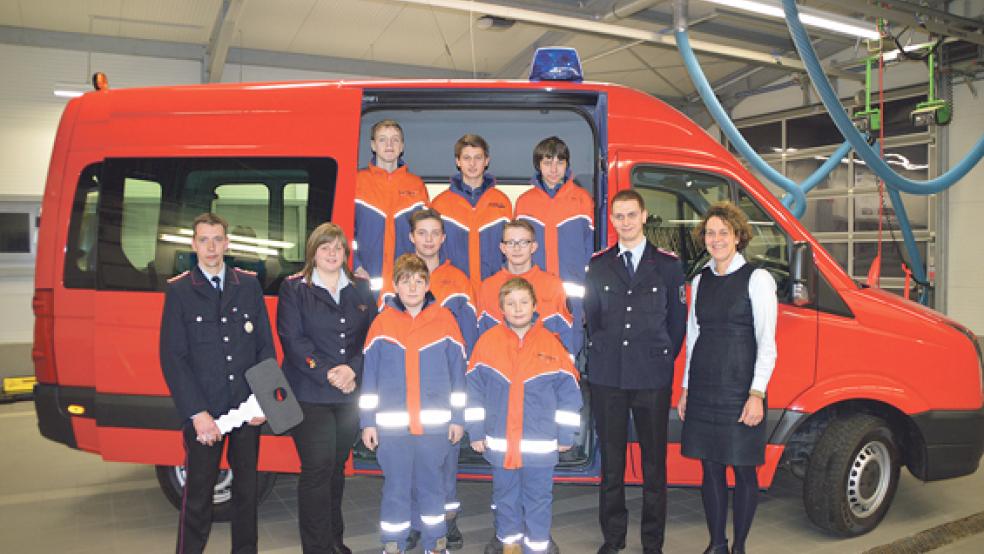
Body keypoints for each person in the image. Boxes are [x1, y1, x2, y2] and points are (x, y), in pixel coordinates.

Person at [160, 212, 275, 554]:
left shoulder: (249, 285)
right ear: (194, 245)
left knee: (246, 492)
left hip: (245, 409)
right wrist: (197, 414)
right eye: (204, 240)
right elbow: (173, 357)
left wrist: (263, 401)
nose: (211, 247)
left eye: (217, 239)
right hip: (205, 413)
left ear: (227, 243)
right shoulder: (180, 290)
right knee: (198, 494)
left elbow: (264, 346)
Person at [583, 190, 687, 554]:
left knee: (654, 467)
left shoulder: (669, 266)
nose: (624, 222)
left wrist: (658, 358)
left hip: (651, 377)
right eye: (618, 216)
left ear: (644, 216)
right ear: (611, 220)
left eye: (631, 215)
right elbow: (592, 319)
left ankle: (652, 543)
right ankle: (613, 539)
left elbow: (677, 325)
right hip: (608, 377)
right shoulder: (598, 264)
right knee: (611, 465)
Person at [677, 202, 777, 554]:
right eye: (710, 233)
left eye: (723, 233)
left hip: (740, 387)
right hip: (704, 386)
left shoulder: (758, 279)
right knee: (711, 468)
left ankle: (739, 546)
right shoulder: (701, 280)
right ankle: (717, 543)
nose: (716, 239)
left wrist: (757, 394)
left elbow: (768, 343)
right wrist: (686, 388)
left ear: (738, 237)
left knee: (744, 470)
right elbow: (693, 338)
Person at [379, 208, 478, 551]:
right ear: (412, 236)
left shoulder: (458, 279)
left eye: (435, 233)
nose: (429, 239)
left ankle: (443, 528)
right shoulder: (394, 280)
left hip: (439, 393)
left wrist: (458, 393)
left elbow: (462, 337)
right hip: (403, 404)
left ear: (444, 238)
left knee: (441, 470)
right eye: (422, 232)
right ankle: (408, 528)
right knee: (404, 473)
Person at [278, 223, 377, 554]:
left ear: (346, 253)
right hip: (310, 394)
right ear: (313, 252)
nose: (332, 253)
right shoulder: (294, 288)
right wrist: (327, 373)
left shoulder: (361, 289)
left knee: (335, 469)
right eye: (325, 247)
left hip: (348, 395)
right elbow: (293, 340)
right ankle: (317, 547)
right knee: (317, 468)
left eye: (338, 248)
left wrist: (353, 369)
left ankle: (335, 541)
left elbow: (373, 339)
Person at [360, 253, 468, 554]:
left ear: (427, 285)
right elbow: (369, 380)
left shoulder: (446, 321)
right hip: (393, 430)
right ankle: (393, 543)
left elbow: (458, 377)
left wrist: (458, 418)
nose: (412, 288)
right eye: (405, 281)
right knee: (396, 488)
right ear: (395, 285)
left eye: (419, 281)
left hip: (435, 429)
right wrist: (367, 421)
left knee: (433, 489)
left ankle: (436, 544)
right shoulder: (381, 324)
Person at [466, 277, 582, 554]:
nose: (518, 309)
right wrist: (476, 431)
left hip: (540, 446)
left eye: (523, 302)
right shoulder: (487, 343)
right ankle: (510, 546)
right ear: (501, 308)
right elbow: (473, 392)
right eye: (511, 303)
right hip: (501, 442)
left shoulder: (551, 344)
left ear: (534, 305)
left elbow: (569, 392)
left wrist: (566, 434)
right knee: (505, 498)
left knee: (538, 499)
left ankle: (538, 548)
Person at [514, 136, 594, 354]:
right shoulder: (524, 202)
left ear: (567, 164)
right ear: (538, 165)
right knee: (532, 358)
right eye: (547, 162)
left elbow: (592, 255)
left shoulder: (583, 200)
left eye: (560, 162)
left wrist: (590, 302)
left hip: (572, 300)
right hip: (533, 297)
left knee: (568, 360)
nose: (553, 169)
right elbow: (515, 254)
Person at [353, 119, 429, 293]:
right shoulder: (358, 182)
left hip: (405, 284)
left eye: (395, 140)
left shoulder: (416, 185)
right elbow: (345, 232)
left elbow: (425, 235)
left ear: (402, 146)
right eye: (382, 139)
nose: (389, 145)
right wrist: (356, 266)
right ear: (373, 145)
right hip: (363, 282)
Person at [477, 219, 574, 354]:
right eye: (510, 243)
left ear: (533, 247)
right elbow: (483, 335)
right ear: (502, 248)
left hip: (543, 364)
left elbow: (566, 334)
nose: (517, 248)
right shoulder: (487, 287)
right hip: (501, 365)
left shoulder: (553, 285)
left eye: (523, 242)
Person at [430, 134, 512, 291]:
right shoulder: (440, 204)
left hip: (494, 289)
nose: (472, 164)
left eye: (478, 158)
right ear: (458, 161)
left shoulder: (502, 202)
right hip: (452, 289)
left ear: (486, 161)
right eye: (466, 158)